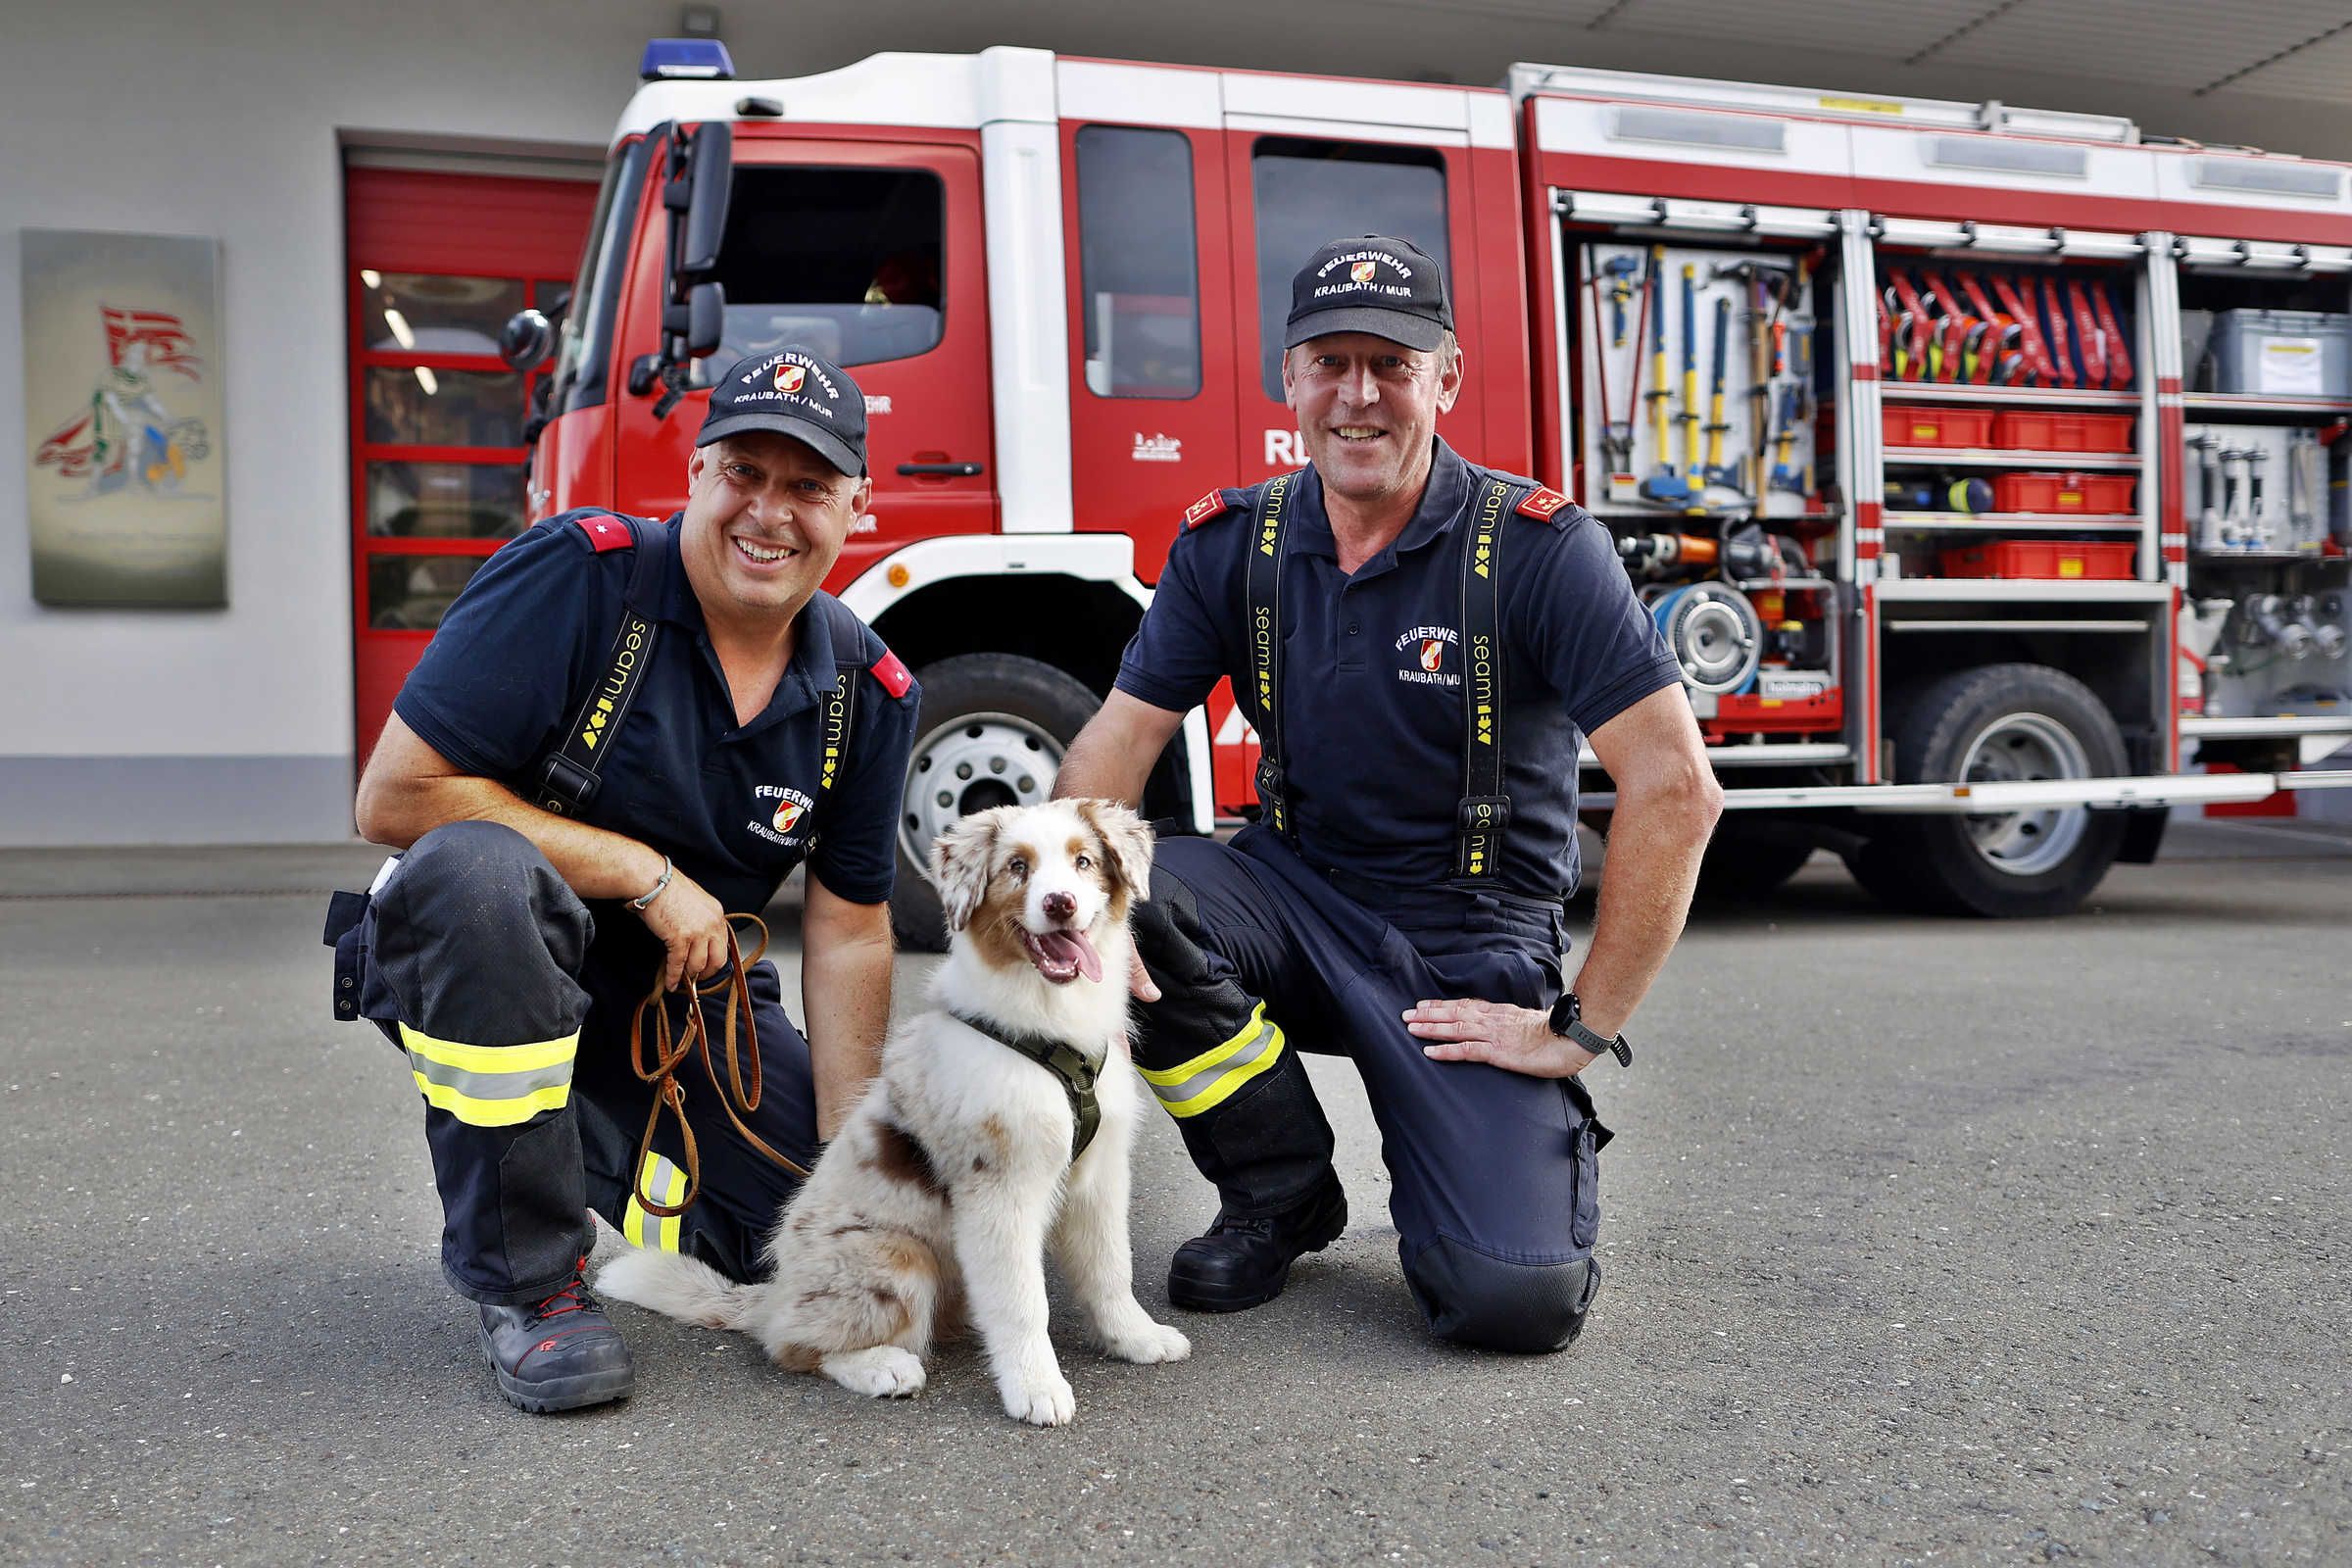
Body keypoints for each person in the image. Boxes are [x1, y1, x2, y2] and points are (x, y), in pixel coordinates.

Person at [1052, 235, 1722, 1352]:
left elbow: (1676, 791)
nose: (1359, 394)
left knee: (1509, 1300)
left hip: (1469, 942)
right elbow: (1112, 751)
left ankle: (1469, 1198)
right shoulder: (1233, 544)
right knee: (1126, 888)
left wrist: (1578, 1028)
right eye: (1332, 360)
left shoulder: (1542, 552)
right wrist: (1084, 917)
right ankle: (1281, 1190)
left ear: (1446, 381)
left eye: (1393, 364)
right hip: (1292, 895)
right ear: (1291, 379)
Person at [332, 348, 919, 1411]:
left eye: (808, 487)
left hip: (678, 1001)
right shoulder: (580, 576)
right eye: (744, 471)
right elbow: (394, 796)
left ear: (857, 508)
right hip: (486, 948)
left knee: (800, 1245)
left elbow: (849, 931)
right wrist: (641, 871)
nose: (771, 513)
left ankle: (600, 1169)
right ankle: (531, 1287)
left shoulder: (868, 692)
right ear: (696, 471)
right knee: (479, 872)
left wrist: (852, 1167)